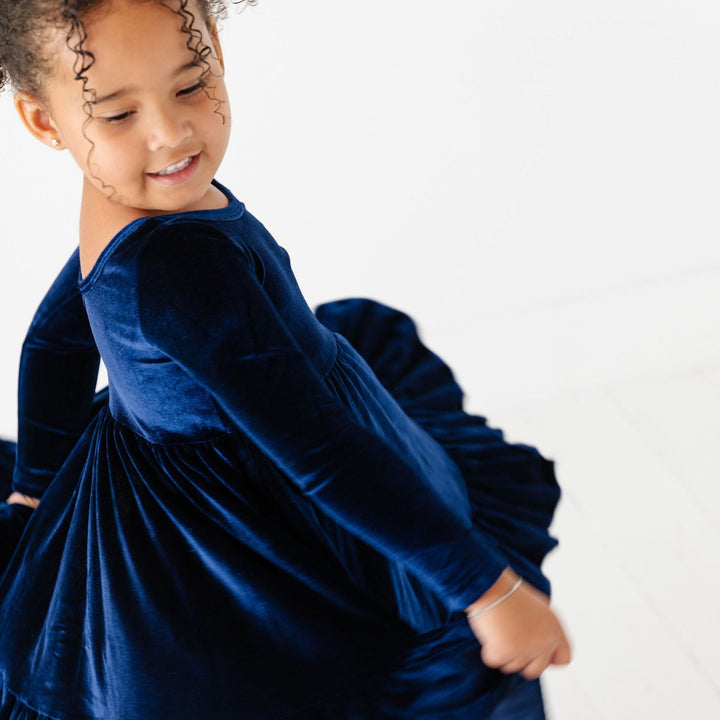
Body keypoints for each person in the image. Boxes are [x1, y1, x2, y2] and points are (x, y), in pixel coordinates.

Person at [0, 0, 571, 717]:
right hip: (258, 509)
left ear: (217, 51)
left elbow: (56, 336)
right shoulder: (178, 270)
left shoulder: (130, 203)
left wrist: (34, 489)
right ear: (44, 121)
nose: (170, 132)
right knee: (394, 673)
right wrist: (490, 589)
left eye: (189, 84)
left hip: (238, 455)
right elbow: (324, 455)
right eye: (117, 115)